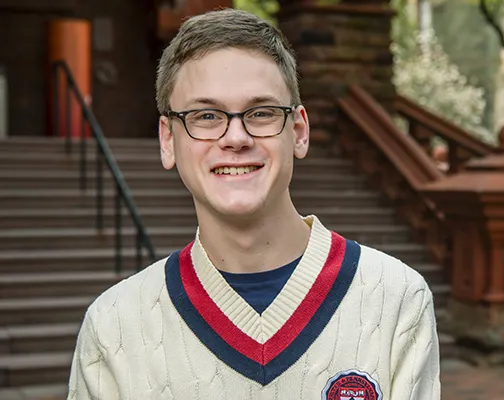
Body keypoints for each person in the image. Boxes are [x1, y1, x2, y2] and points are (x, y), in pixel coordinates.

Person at [67, 8, 440, 400]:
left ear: (299, 132)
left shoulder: (396, 299)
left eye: (261, 113)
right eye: (206, 115)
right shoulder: (112, 327)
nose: (236, 138)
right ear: (168, 140)